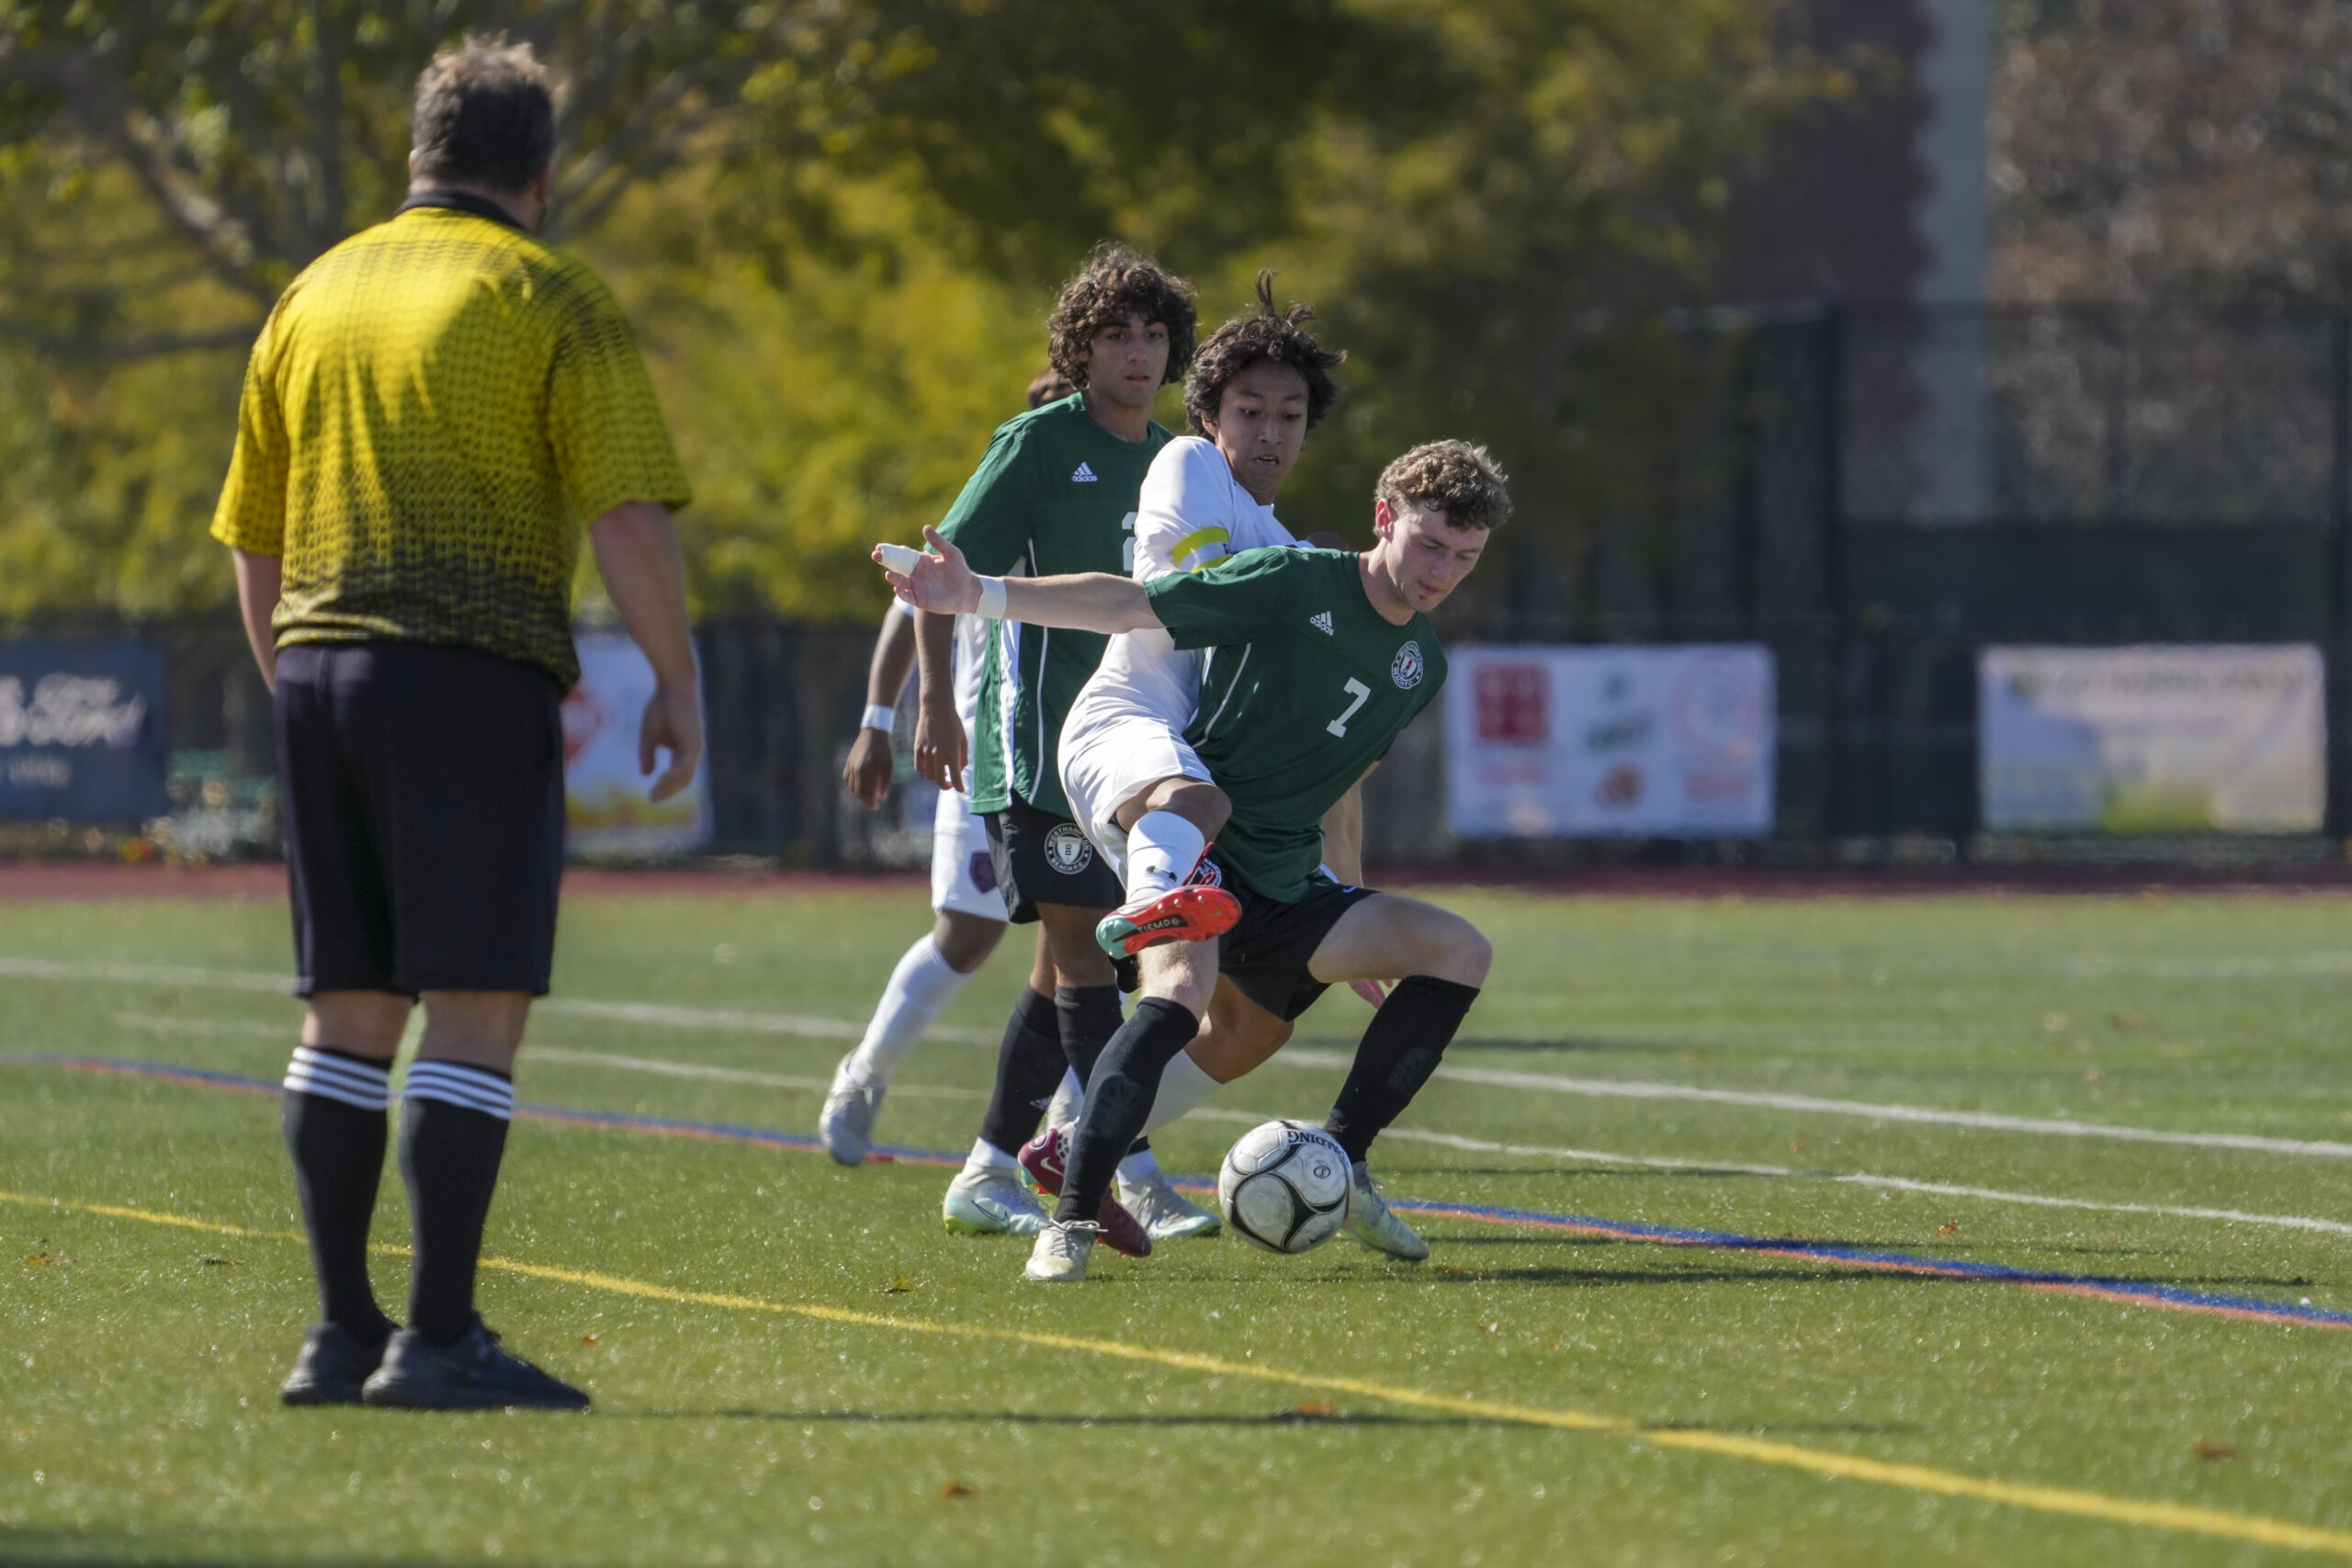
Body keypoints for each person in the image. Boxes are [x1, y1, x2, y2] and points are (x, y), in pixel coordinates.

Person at [211, 38, 697, 1406]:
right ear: (540, 175)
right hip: (468, 670)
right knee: (475, 1004)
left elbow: (252, 531)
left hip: (316, 666)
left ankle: (340, 1332)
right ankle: (435, 1338)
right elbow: (622, 511)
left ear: (416, 157)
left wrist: (296, 678)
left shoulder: (313, 291)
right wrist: (678, 675)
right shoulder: (548, 291)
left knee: (346, 1007)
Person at [878, 440, 1514, 1283]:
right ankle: (1068, 1220)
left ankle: (1345, 1161)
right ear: (1384, 517)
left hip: (1290, 879)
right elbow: (1132, 603)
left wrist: (1350, 900)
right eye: (1430, 544)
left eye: (1464, 558)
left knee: (1451, 953)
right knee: (1176, 994)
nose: (1441, 571)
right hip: (1205, 851)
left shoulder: (1419, 663)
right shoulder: (1296, 579)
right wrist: (980, 594)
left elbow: (1342, 785)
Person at [1015, 277, 1370, 1221]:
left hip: (1206, 783)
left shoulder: (1294, 555)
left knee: (1254, 1025)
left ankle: (1070, 1138)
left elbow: (1329, 771)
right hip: (1128, 731)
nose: (1270, 430)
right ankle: (1146, 912)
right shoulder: (1188, 468)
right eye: (1248, 409)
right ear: (1209, 414)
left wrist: (1346, 893)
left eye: (1290, 414)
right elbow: (1188, 595)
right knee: (1178, 916)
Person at [910, 244, 1204, 1252]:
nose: (1136, 353)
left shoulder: (1177, 462)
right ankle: (1126, 1171)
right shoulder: (1038, 444)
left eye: (1153, 335)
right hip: (1039, 751)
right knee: (1089, 955)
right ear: (1079, 349)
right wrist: (931, 711)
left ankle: (990, 1168)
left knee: (1062, 960)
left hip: (1134, 750)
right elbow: (936, 569)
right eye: (1116, 335)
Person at [820, 367, 1071, 1168]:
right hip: (991, 755)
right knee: (968, 935)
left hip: (1088, 760)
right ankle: (863, 1076)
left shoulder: (1132, 496)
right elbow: (912, 604)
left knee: (1092, 946)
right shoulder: (1002, 497)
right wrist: (880, 719)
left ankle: (1075, 1142)